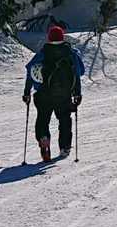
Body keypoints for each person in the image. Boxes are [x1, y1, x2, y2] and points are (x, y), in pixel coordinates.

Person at [25, 25, 85, 161]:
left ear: (49, 38)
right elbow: (79, 72)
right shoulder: (70, 53)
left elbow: (30, 71)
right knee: (64, 119)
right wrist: (77, 93)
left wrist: (27, 92)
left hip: (43, 94)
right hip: (64, 94)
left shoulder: (43, 53)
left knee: (42, 119)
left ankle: (43, 139)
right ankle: (65, 147)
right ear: (62, 37)